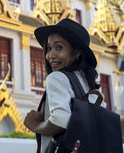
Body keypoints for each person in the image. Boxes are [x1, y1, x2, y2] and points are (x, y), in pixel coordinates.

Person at [24, 18, 100, 153]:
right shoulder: (88, 84)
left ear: (77, 52)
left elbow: (61, 120)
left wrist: (36, 126)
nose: (50, 55)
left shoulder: (56, 78)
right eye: (48, 48)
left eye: (59, 47)